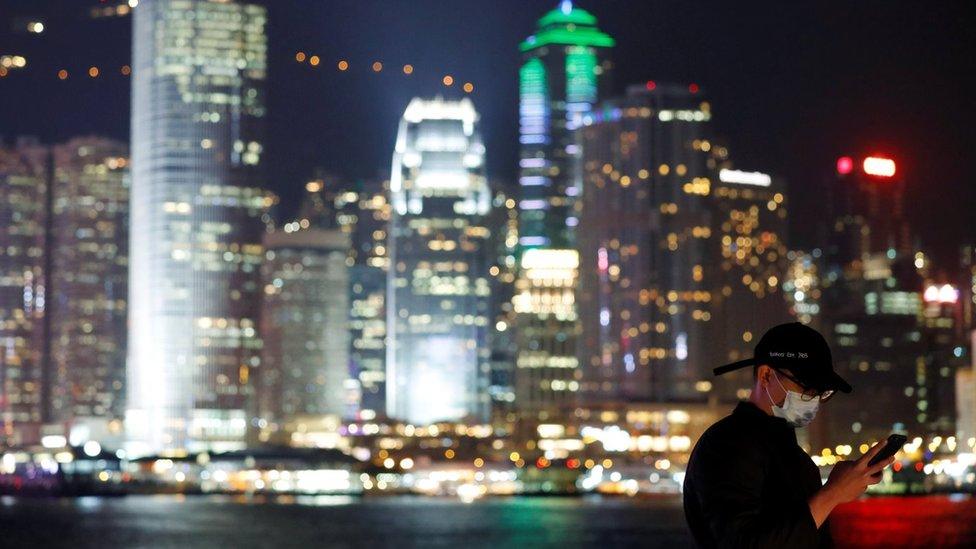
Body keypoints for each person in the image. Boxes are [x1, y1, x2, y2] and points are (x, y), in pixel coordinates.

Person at [682, 322, 896, 548]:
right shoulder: (726, 444)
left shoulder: (791, 454)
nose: (813, 399)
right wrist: (833, 492)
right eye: (807, 387)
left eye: (821, 392)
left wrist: (839, 485)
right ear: (766, 375)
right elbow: (743, 543)